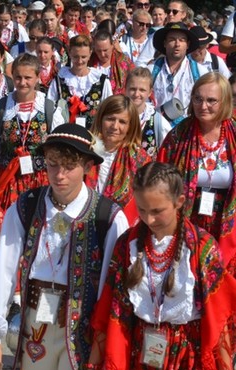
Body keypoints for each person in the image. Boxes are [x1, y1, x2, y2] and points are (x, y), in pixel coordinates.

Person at [0, 123, 128, 370]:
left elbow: (111, 291)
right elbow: (3, 272)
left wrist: (104, 351)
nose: (60, 174)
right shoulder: (26, 206)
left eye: (70, 166)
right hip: (36, 322)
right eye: (53, 164)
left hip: (82, 329)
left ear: (88, 166)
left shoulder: (108, 217)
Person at [88, 162, 236, 370]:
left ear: (179, 201)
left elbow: (219, 319)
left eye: (157, 210)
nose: (149, 218)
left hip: (187, 360)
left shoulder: (202, 248)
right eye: (142, 209)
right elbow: (111, 310)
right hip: (138, 357)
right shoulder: (128, 245)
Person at [158, 72, 236, 272]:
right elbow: (160, 178)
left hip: (227, 224)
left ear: (225, 102)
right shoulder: (178, 135)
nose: (203, 106)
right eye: (198, 99)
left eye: (211, 100)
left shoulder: (234, 134)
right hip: (186, 220)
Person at [0, 53, 64, 211]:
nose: (22, 83)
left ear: (37, 77)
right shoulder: (0, 108)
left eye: (28, 78)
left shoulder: (49, 108)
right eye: (18, 77)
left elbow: (60, 149)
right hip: (8, 181)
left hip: (41, 181)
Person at [85, 95, 151, 224]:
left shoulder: (140, 160)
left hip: (121, 229)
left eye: (122, 122)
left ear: (130, 126)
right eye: (110, 119)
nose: (115, 126)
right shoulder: (84, 151)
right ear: (100, 120)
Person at [48, 34, 113, 128]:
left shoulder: (101, 81)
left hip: (93, 136)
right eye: (75, 57)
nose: (79, 61)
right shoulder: (60, 80)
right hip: (66, 135)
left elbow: (109, 109)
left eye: (83, 57)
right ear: (69, 53)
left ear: (90, 54)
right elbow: (50, 108)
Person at [148, 22, 205, 111]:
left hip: (187, 123)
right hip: (157, 122)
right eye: (172, 39)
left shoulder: (200, 72)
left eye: (182, 40)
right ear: (165, 43)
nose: (177, 44)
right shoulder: (151, 71)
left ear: (188, 44)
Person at [125, 67, 171, 157]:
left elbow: (167, 155)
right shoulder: (115, 116)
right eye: (132, 89)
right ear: (125, 88)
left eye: (142, 90)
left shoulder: (159, 123)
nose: (136, 94)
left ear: (150, 92)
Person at [89, 29, 134, 96]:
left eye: (105, 50)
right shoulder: (89, 62)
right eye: (99, 51)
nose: (102, 54)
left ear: (112, 45)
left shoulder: (124, 61)